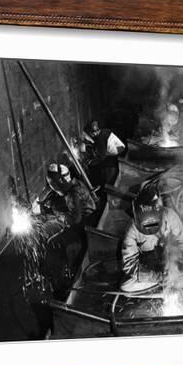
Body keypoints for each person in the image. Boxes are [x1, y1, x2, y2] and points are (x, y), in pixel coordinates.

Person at [120, 184, 183, 293]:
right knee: (126, 286)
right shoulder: (132, 229)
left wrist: (173, 263)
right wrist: (157, 277)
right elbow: (129, 263)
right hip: (151, 265)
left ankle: (178, 278)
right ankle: (175, 282)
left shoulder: (169, 215)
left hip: (176, 260)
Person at [39, 163, 97, 299]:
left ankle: (59, 285)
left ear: (60, 181)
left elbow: (74, 219)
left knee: (52, 243)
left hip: (84, 229)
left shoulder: (72, 195)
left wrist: (55, 211)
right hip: (90, 220)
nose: (52, 187)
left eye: (52, 184)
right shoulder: (76, 183)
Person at [82, 120, 125, 186]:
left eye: (89, 134)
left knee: (106, 181)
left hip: (112, 161)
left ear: (94, 133)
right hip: (118, 152)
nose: (89, 136)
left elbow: (101, 158)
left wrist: (89, 162)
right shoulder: (104, 131)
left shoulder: (101, 140)